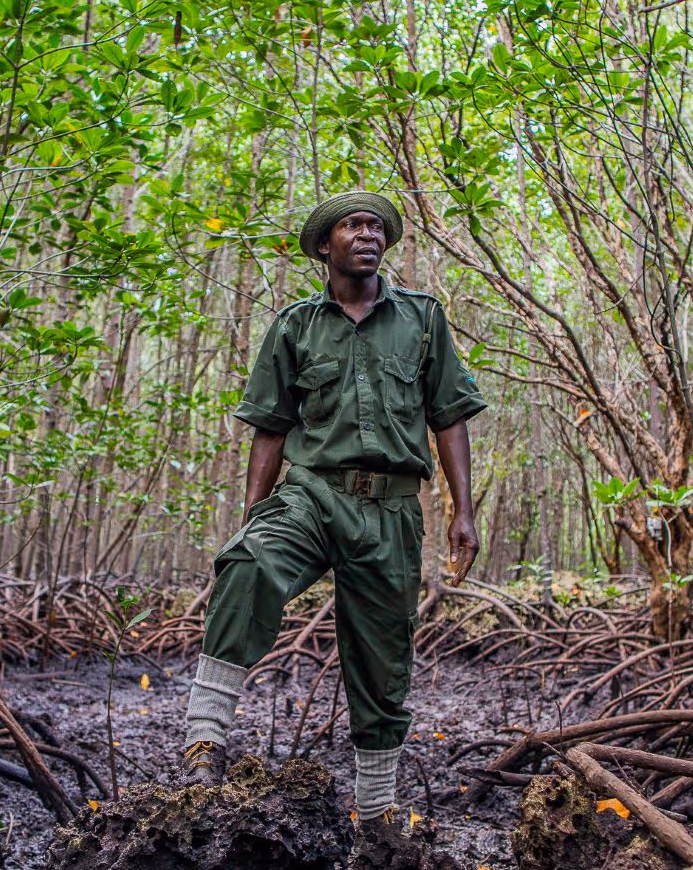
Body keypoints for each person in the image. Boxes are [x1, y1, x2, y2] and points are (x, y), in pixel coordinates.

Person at [181, 190, 487, 833]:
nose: (368, 234)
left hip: (392, 509)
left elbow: (450, 416)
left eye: (377, 227)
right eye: (353, 226)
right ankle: (204, 741)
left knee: (382, 662)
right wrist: (252, 515)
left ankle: (375, 814)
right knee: (248, 563)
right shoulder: (295, 326)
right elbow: (270, 427)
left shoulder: (423, 319)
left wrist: (464, 511)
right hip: (312, 492)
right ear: (326, 246)